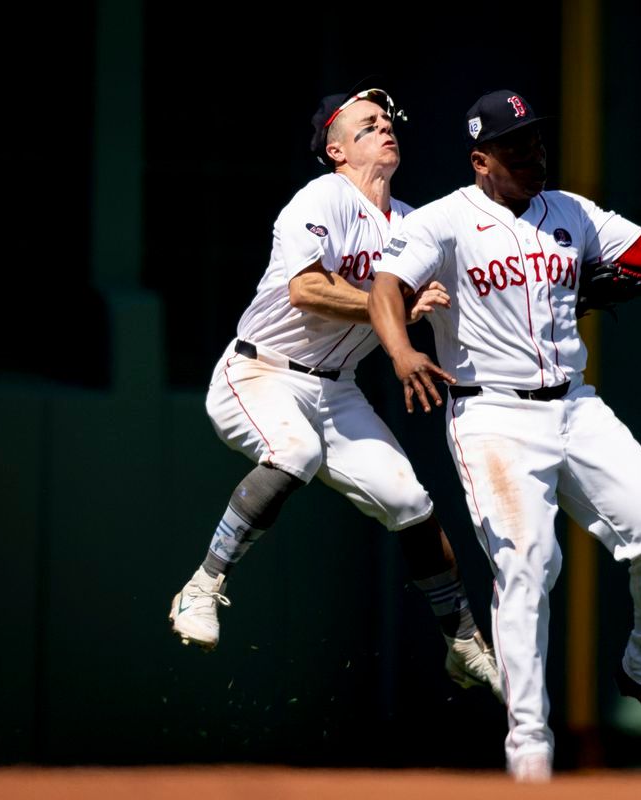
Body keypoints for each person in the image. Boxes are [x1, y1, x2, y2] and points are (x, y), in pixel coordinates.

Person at [368, 89, 641, 781]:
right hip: (492, 417)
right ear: (481, 160)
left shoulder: (568, 210)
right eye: (516, 148)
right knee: (528, 568)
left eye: (537, 142)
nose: (534, 155)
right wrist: (399, 351)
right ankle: (529, 748)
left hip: (575, 406)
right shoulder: (444, 221)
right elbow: (385, 287)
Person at [167, 83, 502, 702]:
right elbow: (307, 290)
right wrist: (397, 302)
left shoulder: (411, 223)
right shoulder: (322, 196)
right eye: (368, 124)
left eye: (387, 121)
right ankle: (202, 584)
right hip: (261, 371)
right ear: (337, 148)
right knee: (294, 451)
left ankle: (460, 641)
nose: (385, 129)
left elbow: (475, 282)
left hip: (338, 391)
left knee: (409, 501)